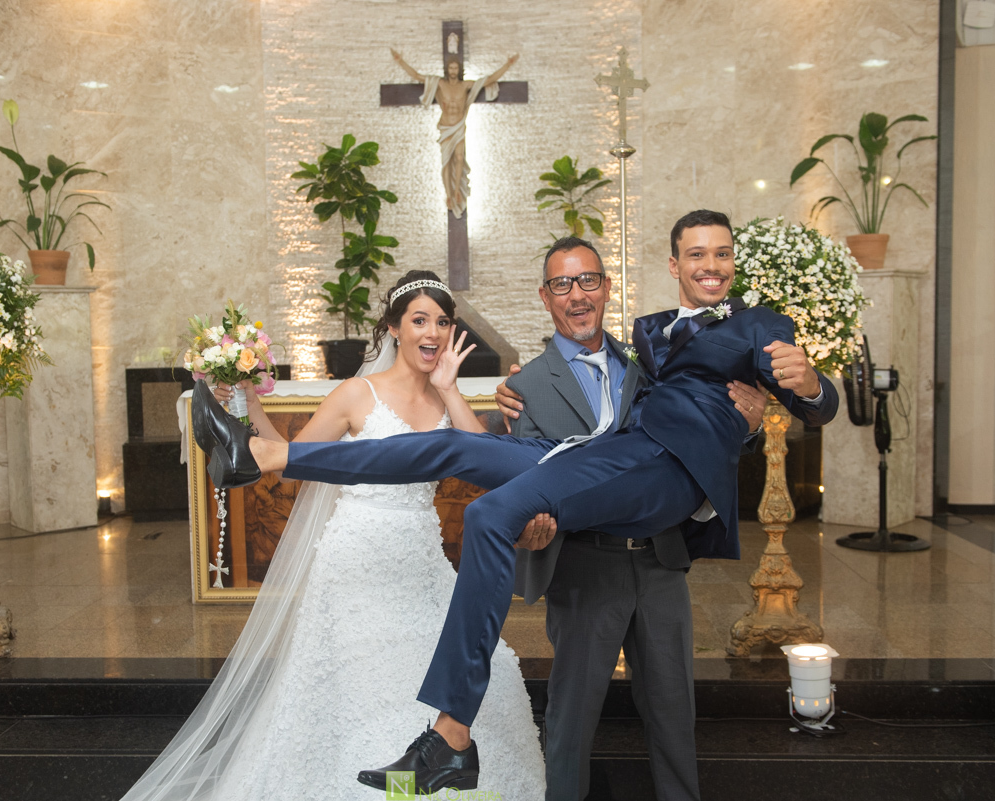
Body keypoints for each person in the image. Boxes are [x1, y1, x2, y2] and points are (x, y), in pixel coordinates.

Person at [192, 209, 840, 794]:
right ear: (675, 264)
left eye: (720, 253)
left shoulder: (751, 325)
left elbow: (805, 396)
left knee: (492, 516)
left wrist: (802, 391)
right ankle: (265, 457)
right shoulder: (636, 342)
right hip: (581, 484)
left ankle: (451, 736)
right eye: (696, 254)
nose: (709, 265)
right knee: (456, 454)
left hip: (652, 478)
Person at [127, 271, 545, 801]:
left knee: (484, 673)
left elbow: (485, 460)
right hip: (356, 560)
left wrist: (449, 389)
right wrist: (251, 404)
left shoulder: (447, 401)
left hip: (421, 563)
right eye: (419, 320)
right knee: (368, 688)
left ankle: (435, 770)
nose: (432, 332)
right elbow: (298, 464)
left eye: (442, 322)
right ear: (394, 328)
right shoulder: (356, 393)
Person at [495, 235, 767, 801]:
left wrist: (748, 426)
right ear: (545, 297)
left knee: (674, 712)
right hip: (583, 566)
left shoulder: (652, 365)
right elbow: (524, 479)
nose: (577, 295)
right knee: (572, 718)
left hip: (661, 561)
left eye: (588, 280)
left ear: (606, 288)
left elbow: (697, 437)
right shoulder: (525, 388)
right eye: (562, 284)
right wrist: (528, 524)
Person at [391, 47, 518, 218]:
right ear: (447, 69)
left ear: (459, 70)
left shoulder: (465, 86)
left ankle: (457, 189)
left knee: (459, 157)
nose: (453, 71)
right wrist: (400, 61)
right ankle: (449, 194)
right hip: (445, 127)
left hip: (458, 126)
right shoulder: (440, 84)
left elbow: (488, 80)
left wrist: (508, 65)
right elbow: (417, 76)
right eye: (450, 68)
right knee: (446, 161)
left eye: (455, 68)